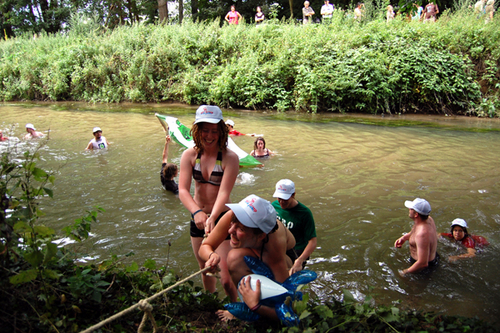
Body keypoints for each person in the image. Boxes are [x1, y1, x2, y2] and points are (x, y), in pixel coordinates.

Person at [200, 194, 295, 321]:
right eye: (233, 224)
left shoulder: (274, 246)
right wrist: (211, 256)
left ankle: (251, 308)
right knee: (235, 257)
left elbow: (288, 307)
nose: (230, 231)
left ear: (260, 235)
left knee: (236, 257)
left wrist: (257, 306)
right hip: (256, 248)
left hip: (287, 257)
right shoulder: (233, 215)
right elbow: (206, 245)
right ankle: (244, 306)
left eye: (240, 229)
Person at [178, 105, 239, 299]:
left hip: (222, 217)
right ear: (197, 130)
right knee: (205, 267)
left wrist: (212, 217)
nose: (209, 135)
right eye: (205, 130)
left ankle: (236, 307)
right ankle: (210, 303)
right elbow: (182, 190)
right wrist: (197, 213)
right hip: (198, 217)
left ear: (221, 131)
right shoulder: (189, 155)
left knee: (226, 275)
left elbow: (224, 192)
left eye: (214, 130)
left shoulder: (230, 158)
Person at [272, 179, 317, 275]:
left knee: (287, 273)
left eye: (285, 199)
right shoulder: (274, 206)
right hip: (279, 244)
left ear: (293, 195)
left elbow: (312, 241)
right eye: (279, 198)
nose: (281, 202)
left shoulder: (304, 213)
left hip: (296, 250)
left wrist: (300, 260)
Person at [394, 198, 438, 276]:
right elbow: (415, 231)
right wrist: (405, 238)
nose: (408, 209)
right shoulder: (428, 219)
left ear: (416, 214)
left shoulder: (422, 234)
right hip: (431, 258)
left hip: (422, 269)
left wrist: (404, 272)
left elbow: (423, 263)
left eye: (411, 209)